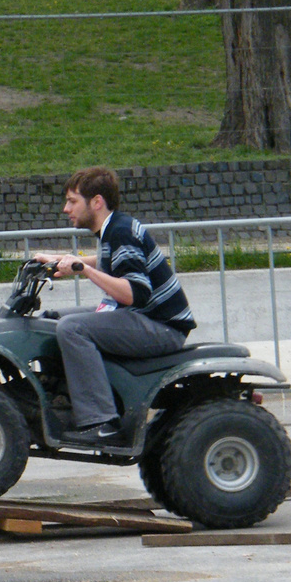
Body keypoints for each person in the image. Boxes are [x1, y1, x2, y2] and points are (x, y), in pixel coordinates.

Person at [33, 166, 196, 446]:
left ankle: (102, 421)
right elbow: (109, 262)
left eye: (72, 201)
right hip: (145, 319)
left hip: (161, 326)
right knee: (53, 319)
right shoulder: (113, 229)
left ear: (96, 202)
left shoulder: (120, 232)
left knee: (73, 328)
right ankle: (62, 396)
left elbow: (134, 293)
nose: (65, 208)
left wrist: (83, 268)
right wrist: (61, 259)